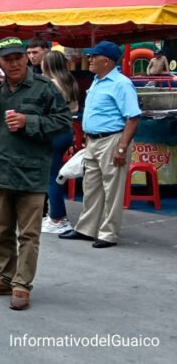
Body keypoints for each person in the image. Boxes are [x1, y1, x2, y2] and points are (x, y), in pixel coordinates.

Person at [0, 37, 70, 311]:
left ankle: (22, 285)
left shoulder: (44, 88)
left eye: (18, 58)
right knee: (2, 231)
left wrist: (29, 121)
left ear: (27, 58)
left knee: (28, 234)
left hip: (31, 171)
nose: (13, 63)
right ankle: (4, 276)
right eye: (7, 59)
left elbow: (63, 126)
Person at [60, 41, 141, 249]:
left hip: (112, 140)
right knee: (91, 186)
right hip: (94, 140)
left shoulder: (121, 83)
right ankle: (87, 228)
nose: (89, 59)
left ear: (106, 61)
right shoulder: (97, 80)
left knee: (112, 189)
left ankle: (108, 233)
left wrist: (122, 147)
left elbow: (132, 117)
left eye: (93, 56)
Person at [40, 51, 80, 234]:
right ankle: (56, 216)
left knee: (52, 177)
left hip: (54, 132)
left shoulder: (51, 84)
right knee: (56, 175)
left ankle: (57, 217)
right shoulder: (70, 81)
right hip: (67, 130)